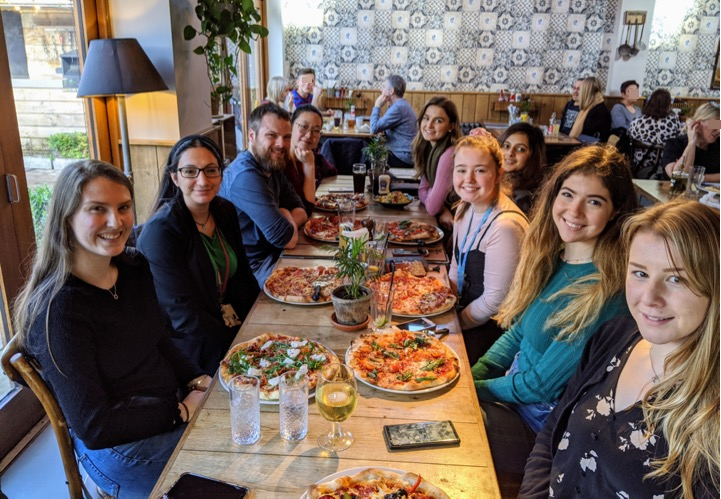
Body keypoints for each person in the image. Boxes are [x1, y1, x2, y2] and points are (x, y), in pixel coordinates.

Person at [12, 160, 210, 497]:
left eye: (123, 207)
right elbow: (94, 427)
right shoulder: (59, 309)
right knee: (239, 457)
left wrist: (198, 379)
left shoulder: (133, 265)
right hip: (121, 448)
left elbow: (158, 338)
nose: (115, 222)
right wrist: (181, 411)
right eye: (97, 209)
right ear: (67, 218)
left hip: (164, 408)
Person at [521, 200, 720, 498]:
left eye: (675, 279)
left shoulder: (712, 412)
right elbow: (552, 434)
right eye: (640, 273)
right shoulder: (614, 337)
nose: (650, 298)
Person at [473, 145, 638, 495]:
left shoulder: (604, 290)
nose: (574, 211)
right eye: (568, 194)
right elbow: (519, 332)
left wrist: (474, 390)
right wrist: (478, 371)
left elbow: (540, 387)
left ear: (615, 211)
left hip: (540, 428)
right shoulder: (554, 255)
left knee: (447, 422)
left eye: (594, 201)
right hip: (514, 393)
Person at [138, 135, 260, 375]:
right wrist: (236, 346)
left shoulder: (224, 210)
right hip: (190, 346)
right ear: (175, 177)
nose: (202, 180)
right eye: (190, 171)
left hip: (230, 325)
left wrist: (259, 325)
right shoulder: (161, 231)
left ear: (221, 174)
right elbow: (183, 316)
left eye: (211, 170)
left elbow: (243, 277)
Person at [448, 136, 529, 365]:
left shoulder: (505, 226)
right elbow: (456, 265)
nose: (468, 179)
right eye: (461, 170)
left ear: (499, 173)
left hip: (493, 332)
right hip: (465, 314)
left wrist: (453, 324)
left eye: (480, 170)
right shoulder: (464, 207)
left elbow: (493, 302)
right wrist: (442, 304)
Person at [219, 103, 307, 288]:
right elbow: (287, 239)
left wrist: (286, 216)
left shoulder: (271, 164)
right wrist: (286, 215)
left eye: (286, 137)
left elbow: (301, 210)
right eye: (271, 135)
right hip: (253, 269)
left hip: (275, 255)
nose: (281, 144)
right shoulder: (245, 176)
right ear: (251, 136)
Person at [414, 96, 462, 230]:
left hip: (456, 226)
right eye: (426, 118)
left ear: (451, 126)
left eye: (438, 121)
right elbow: (422, 190)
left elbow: (432, 206)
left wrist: (438, 206)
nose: (429, 125)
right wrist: (442, 208)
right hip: (445, 221)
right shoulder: (430, 148)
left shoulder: (449, 154)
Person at [285, 104, 338, 215]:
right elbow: (307, 209)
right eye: (303, 126)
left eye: (316, 130)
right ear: (290, 126)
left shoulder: (312, 156)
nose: (309, 135)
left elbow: (331, 172)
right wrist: (309, 165)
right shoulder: (283, 162)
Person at [627, 88, 681, 179]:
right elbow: (679, 141)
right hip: (665, 168)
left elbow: (629, 137)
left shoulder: (637, 121)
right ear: (668, 105)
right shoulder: (673, 122)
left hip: (639, 167)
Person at [660, 101, 720, 182]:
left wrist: (698, 177)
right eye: (715, 125)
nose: (719, 130)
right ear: (698, 124)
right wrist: (692, 142)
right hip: (673, 190)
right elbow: (678, 176)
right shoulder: (675, 144)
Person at [498, 122, 547, 216]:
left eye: (520, 149)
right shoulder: (500, 178)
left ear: (533, 156)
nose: (510, 153)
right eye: (506, 146)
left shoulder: (524, 197)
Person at [370, 75, 418, 168]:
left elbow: (373, 128)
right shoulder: (400, 105)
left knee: (365, 154)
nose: (381, 90)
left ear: (391, 91)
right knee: (365, 147)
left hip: (403, 157)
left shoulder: (398, 107)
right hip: (404, 154)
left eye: (384, 87)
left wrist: (377, 106)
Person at [569, 76, 612, 142]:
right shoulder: (591, 106)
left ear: (586, 91)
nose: (580, 93)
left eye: (580, 89)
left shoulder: (598, 110)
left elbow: (586, 133)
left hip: (590, 146)